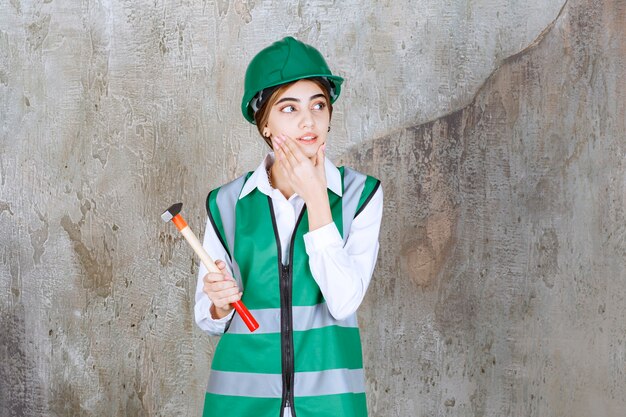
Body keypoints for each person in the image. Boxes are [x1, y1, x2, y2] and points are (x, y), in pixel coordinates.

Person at [194, 36, 383, 417]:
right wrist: (217, 305)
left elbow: (344, 301)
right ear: (264, 123)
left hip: (330, 402)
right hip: (240, 400)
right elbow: (210, 321)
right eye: (289, 107)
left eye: (318, 104)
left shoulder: (360, 195)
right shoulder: (226, 203)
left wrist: (316, 199)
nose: (308, 120)